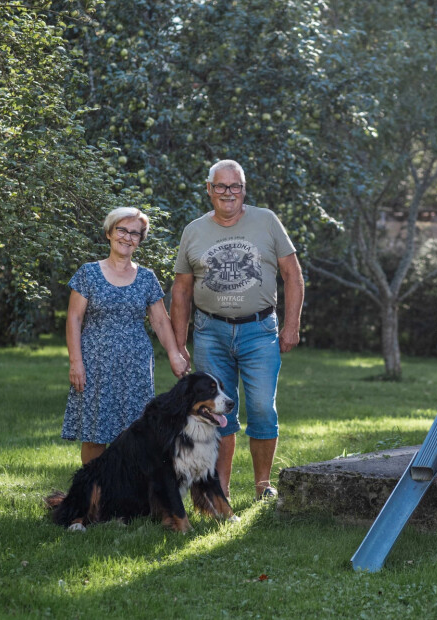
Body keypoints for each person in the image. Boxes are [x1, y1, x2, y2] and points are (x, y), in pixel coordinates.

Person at [171, 159, 304, 500]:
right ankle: (220, 492)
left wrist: (292, 326)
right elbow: (182, 290)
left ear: (244, 189)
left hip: (259, 331)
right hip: (209, 332)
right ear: (209, 189)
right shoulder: (194, 230)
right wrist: (178, 343)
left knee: (262, 407)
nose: (228, 193)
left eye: (235, 187)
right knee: (216, 413)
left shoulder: (267, 221)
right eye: (221, 186)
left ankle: (262, 487)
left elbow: (293, 275)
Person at [63, 207, 190, 465]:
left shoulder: (146, 278)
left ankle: (129, 495)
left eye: (135, 233)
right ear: (109, 233)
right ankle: (92, 494)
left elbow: (160, 321)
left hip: (136, 366)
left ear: (140, 240)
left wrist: (175, 355)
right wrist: (76, 362)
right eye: (122, 230)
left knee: (136, 433)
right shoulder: (88, 273)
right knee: (95, 433)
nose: (127, 237)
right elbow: (74, 319)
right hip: (95, 363)